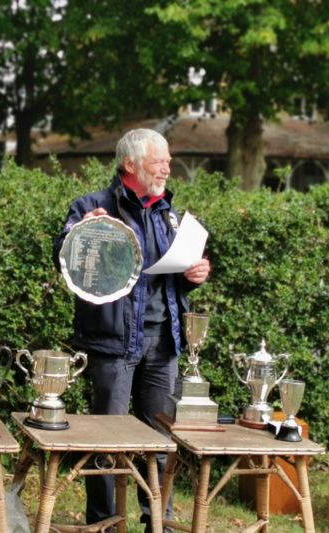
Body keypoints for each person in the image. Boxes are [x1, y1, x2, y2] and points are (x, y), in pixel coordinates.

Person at [52, 128, 210, 532]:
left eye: (168, 161)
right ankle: (104, 524)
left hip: (165, 341)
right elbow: (65, 257)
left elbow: (176, 273)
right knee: (106, 443)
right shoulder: (92, 206)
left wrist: (195, 274)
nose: (168, 167)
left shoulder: (167, 212)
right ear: (131, 164)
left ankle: (158, 520)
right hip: (113, 343)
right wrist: (83, 232)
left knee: (160, 440)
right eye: (161, 161)